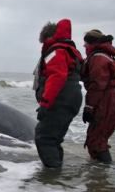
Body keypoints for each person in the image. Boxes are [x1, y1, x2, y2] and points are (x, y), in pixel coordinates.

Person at [33, 18, 83, 168]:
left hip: (60, 99)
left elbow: (57, 76)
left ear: (49, 37)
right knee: (54, 139)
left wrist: (45, 104)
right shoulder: (70, 51)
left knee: (44, 138)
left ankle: (51, 179)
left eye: (44, 41)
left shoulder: (56, 51)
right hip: (71, 97)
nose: (43, 44)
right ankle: (56, 177)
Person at [81, 29, 115, 163]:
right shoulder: (105, 56)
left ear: (92, 44)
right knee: (98, 138)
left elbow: (97, 85)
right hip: (112, 98)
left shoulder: (98, 58)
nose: (84, 47)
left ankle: (102, 178)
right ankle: (99, 175)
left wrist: (89, 107)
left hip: (107, 99)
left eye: (86, 44)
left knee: (96, 141)